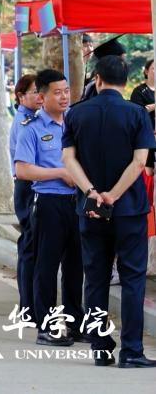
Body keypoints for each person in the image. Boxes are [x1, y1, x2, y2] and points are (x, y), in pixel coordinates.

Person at [61, 54, 156, 368]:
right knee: (132, 279)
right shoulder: (137, 114)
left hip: (90, 209)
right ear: (126, 82)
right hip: (128, 209)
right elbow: (140, 162)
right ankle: (131, 351)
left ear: (97, 79)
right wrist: (113, 195)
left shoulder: (76, 114)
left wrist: (91, 192)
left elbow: (68, 159)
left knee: (95, 278)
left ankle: (100, 349)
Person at [13, 69, 83, 346]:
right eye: (57, 92)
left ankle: (75, 324)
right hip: (48, 203)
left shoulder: (75, 123)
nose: (64, 97)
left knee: (76, 266)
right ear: (42, 97)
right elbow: (22, 170)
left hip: (77, 202)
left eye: (66, 91)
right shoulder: (31, 128)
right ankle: (47, 326)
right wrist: (60, 173)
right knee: (47, 265)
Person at [9, 74, 43, 315]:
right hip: (28, 185)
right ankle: (28, 306)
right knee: (30, 245)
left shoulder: (32, 118)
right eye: (34, 91)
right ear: (21, 96)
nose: (39, 96)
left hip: (30, 185)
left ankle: (29, 304)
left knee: (32, 245)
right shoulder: (25, 122)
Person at [129, 59, 155, 171]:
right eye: (154, 68)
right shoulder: (139, 91)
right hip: (149, 137)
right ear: (146, 71)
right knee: (149, 172)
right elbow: (137, 113)